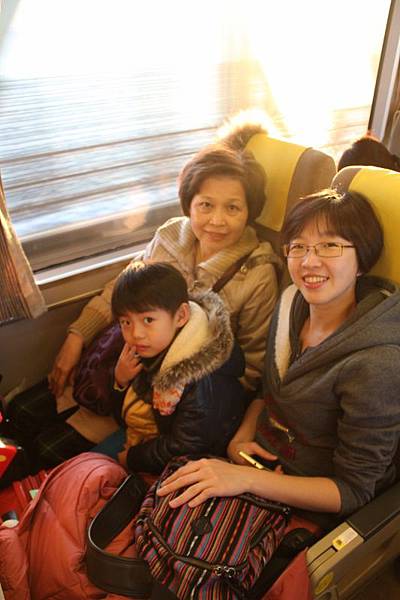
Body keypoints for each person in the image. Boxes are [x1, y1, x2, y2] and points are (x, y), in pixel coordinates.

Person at [157, 189, 400, 519]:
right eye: (298, 247)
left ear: (362, 261)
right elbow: (268, 391)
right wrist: (239, 441)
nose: (309, 261)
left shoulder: (378, 362)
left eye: (330, 246)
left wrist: (246, 479)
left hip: (305, 505)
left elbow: (352, 491)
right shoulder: (290, 305)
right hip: (256, 465)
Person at [48, 139, 280, 397]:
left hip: (192, 394)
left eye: (232, 208)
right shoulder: (169, 237)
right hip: (135, 371)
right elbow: (125, 289)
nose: (217, 220)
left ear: (249, 212)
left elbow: (251, 367)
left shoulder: (258, 275)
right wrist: (77, 336)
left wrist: (190, 402)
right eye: (206, 205)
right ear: (189, 204)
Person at [8, 262, 247, 473]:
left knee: (83, 466)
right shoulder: (153, 345)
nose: (135, 334)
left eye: (148, 320)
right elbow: (126, 413)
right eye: (125, 322)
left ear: (181, 316)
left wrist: (133, 458)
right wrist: (120, 382)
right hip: (144, 433)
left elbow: (187, 445)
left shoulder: (202, 378)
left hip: (186, 453)